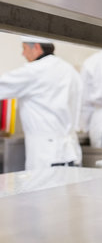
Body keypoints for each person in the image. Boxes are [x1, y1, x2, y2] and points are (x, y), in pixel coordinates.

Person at [0, 36, 83, 169]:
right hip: (70, 152)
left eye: (24, 48)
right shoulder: (70, 70)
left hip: (46, 154)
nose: (23, 54)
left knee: (45, 190)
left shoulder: (34, 71)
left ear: (37, 47)